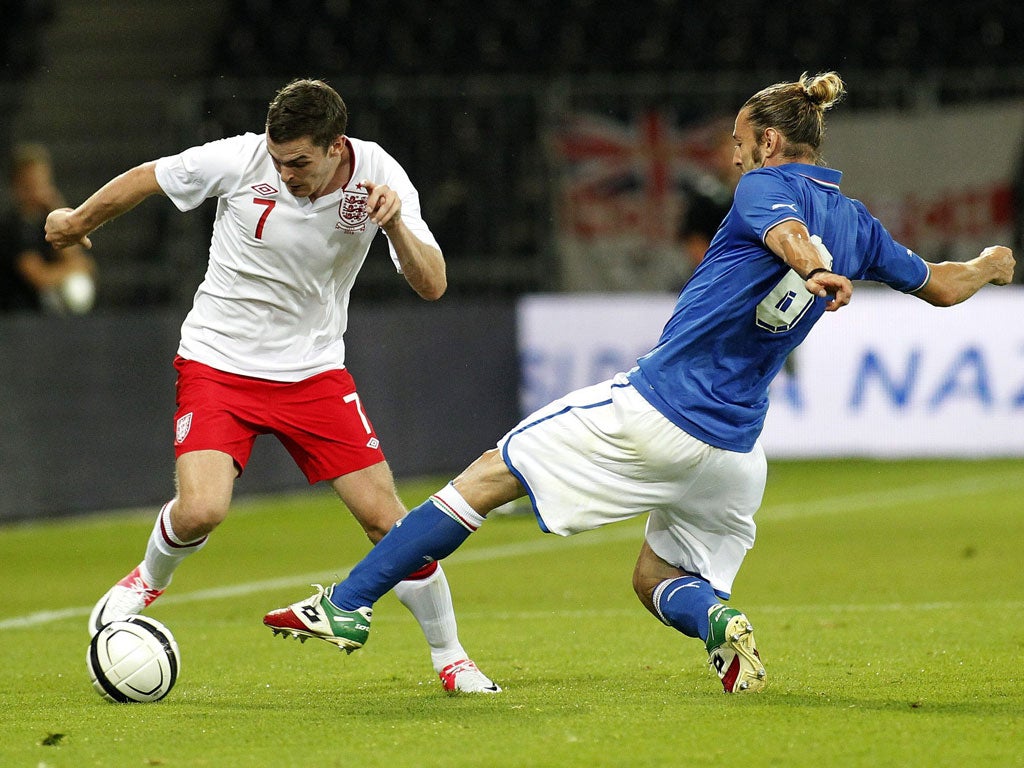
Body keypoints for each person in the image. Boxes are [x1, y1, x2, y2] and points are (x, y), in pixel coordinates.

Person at [264, 72, 1016, 694]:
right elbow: (941, 287)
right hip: (734, 452)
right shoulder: (858, 222)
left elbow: (788, 234)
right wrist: (985, 266)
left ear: (769, 140)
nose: (732, 156)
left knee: (487, 477)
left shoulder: (765, 189)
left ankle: (350, 603)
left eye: (736, 142)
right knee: (659, 574)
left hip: (659, 412)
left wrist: (813, 266)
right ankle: (718, 625)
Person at [45, 78, 499, 694]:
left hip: (312, 373)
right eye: (278, 159)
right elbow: (151, 176)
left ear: (337, 146)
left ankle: (452, 659)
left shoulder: (381, 175)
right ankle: (146, 581)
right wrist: (76, 221)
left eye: (299, 162)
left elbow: (434, 283)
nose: (285, 173)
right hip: (218, 361)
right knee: (203, 509)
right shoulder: (243, 158)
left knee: (388, 522)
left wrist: (395, 229)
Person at [1, 142, 96, 313]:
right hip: (14, 321)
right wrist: (74, 268)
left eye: (43, 182)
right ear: (17, 186)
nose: (39, 190)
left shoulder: (45, 223)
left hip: (45, 321)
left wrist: (57, 207)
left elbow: (75, 258)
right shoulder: (11, 227)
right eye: (31, 184)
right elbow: (39, 277)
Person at [678, 119, 741, 270]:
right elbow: (694, 239)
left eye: (733, 152)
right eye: (723, 154)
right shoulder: (705, 195)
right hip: (717, 271)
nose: (731, 160)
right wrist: (712, 270)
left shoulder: (760, 190)